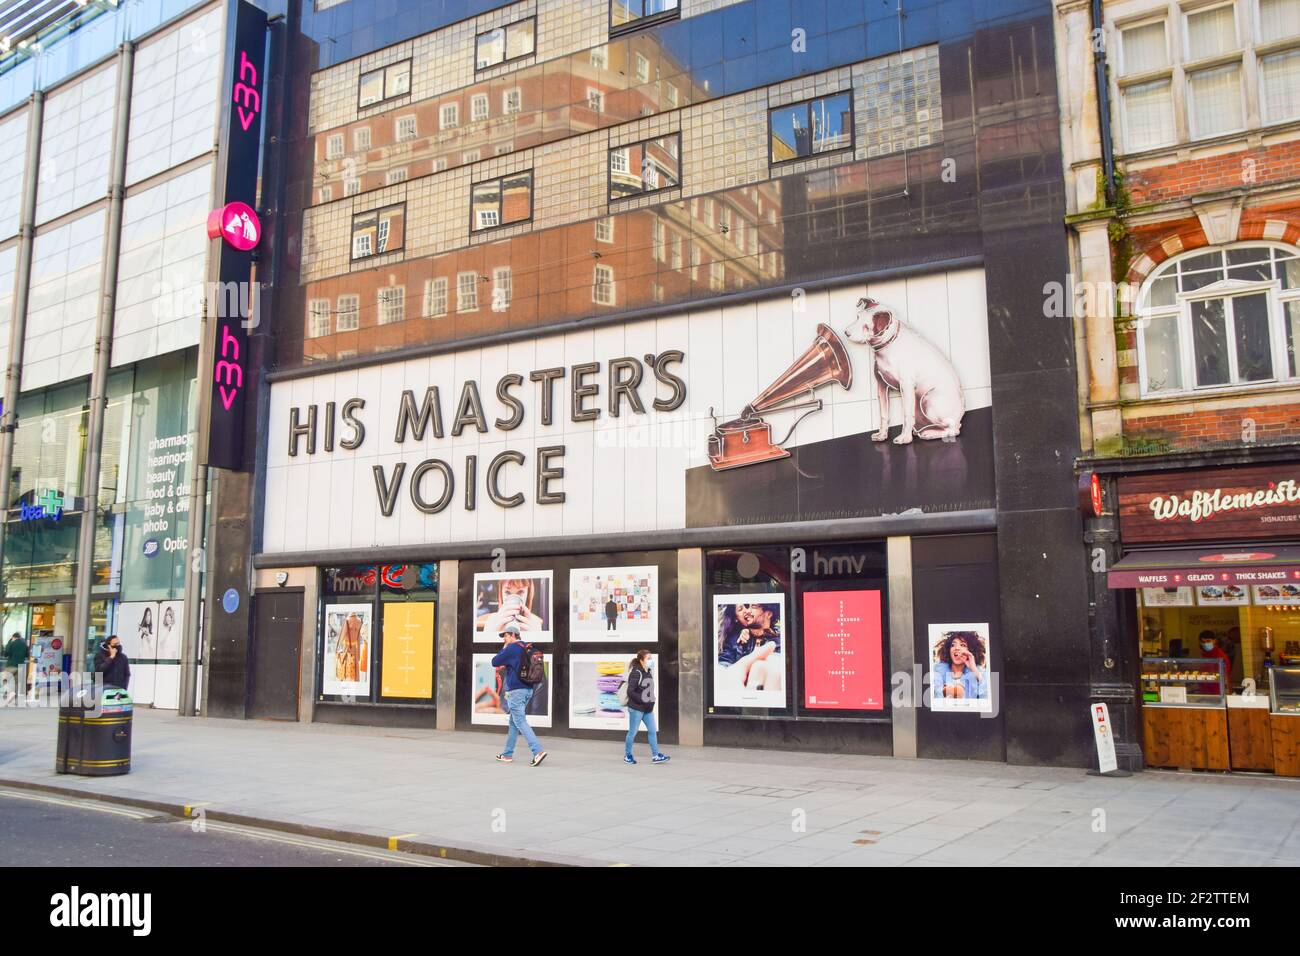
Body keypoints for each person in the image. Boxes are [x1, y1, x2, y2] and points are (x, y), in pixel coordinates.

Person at [490, 623, 547, 766]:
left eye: (506, 636)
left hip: (516, 691)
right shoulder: (526, 647)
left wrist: (504, 649)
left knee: (520, 721)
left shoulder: (511, 649)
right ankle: (507, 754)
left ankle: (537, 751)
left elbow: (495, 661)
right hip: (528, 690)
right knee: (514, 722)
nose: (504, 639)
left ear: (513, 635)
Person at [716, 602, 784, 693]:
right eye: (741, 609)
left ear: (768, 614)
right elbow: (723, 663)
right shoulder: (735, 639)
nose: (747, 611)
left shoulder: (779, 640)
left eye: (753, 607)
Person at [624, 650, 668, 765]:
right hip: (636, 709)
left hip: (647, 709)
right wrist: (643, 701)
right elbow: (630, 691)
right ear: (641, 660)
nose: (650, 661)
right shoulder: (636, 672)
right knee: (632, 732)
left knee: (652, 731)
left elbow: (649, 690)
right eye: (648, 658)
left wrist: (651, 702)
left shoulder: (648, 671)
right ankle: (628, 755)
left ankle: (656, 755)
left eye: (651, 658)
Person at [477, 577, 545, 636]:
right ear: (501, 593)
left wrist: (535, 637)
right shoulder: (492, 621)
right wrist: (493, 634)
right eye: (507, 592)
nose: (513, 598)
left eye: (520, 592)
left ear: (528, 593)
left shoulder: (535, 623)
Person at [931, 631, 987, 701]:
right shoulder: (935, 671)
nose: (957, 648)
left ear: (970, 651)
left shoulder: (980, 674)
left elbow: (986, 698)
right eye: (953, 645)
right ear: (949, 650)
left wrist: (974, 670)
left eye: (963, 645)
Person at [1197, 630, 1231, 696]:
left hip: (1217, 693)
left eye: (1208, 641)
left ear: (1214, 641)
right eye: (1203, 642)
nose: (1205, 644)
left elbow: (1225, 677)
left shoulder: (1220, 656)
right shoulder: (1205, 655)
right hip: (1205, 692)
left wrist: (1226, 693)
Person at [3, 632, 29, 702]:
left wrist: (9, 642)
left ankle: (9, 692)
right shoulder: (24, 644)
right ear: (20, 637)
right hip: (20, 666)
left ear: (13, 637)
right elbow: (27, 655)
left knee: (6, 680)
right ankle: (15, 697)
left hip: (11, 666)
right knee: (17, 683)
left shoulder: (11, 643)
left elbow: (5, 654)